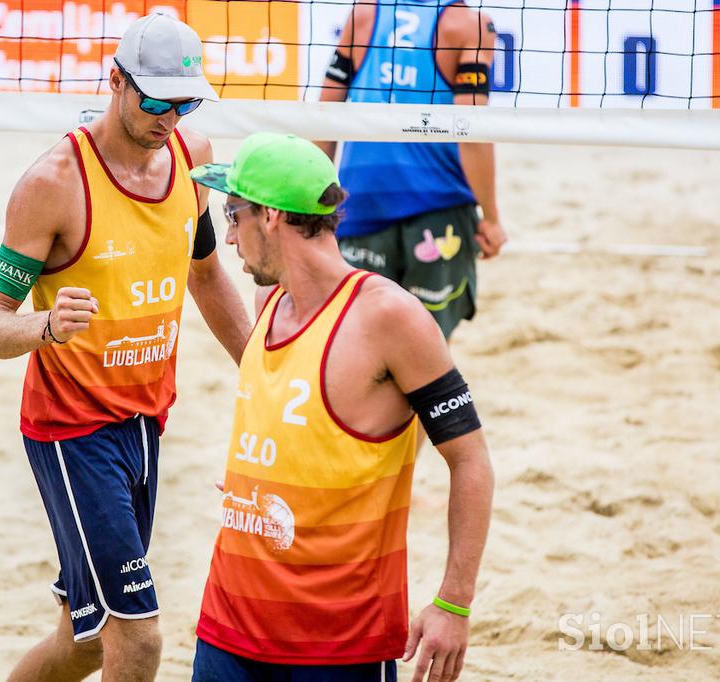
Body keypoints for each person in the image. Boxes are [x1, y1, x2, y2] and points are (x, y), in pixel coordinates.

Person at [0, 12, 250, 682]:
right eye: (155, 100)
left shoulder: (190, 158)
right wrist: (46, 328)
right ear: (115, 81)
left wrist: (263, 369)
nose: (169, 117)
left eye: (185, 103)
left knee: (85, 640)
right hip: (72, 434)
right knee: (139, 638)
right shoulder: (53, 185)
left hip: (146, 420)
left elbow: (206, 274)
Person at [188, 133, 493, 682]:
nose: (231, 235)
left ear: (274, 217)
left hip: (340, 638)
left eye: (235, 214)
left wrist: (453, 603)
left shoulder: (389, 319)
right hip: (230, 620)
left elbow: (471, 460)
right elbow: (299, 419)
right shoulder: (267, 302)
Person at [317, 0, 507, 339]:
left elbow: (324, 118)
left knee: (362, 347)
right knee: (424, 351)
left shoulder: (364, 13)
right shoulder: (469, 24)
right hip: (438, 206)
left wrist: (315, 201)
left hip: (361, 200)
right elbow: (472, 132)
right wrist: (491, 216)